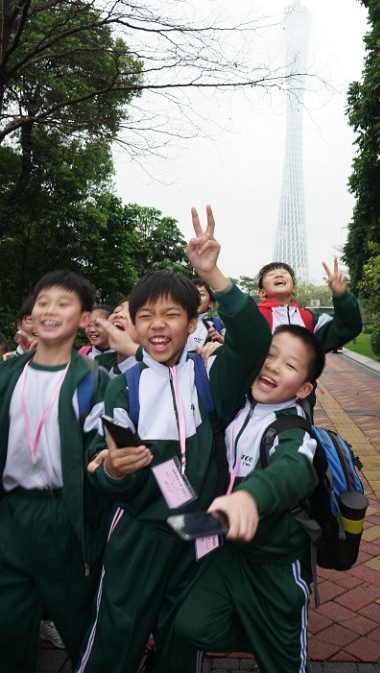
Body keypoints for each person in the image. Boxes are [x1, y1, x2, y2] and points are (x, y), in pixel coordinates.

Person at [75, 206, 271, 673]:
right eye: (145, 316)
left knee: (182, 637)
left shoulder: (210, 376)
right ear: (133, 325)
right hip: (139, 527)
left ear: (192, 321)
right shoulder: (121, 386)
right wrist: (113, 470)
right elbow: (103, 467)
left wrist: (212, 274)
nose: (158, 325)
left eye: (171, 314)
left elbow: (253, 338)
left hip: (198, 526)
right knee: (117, 632)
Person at [155, 324, 325, 673]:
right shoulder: (235, 406)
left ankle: (274, 637)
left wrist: (250, 497)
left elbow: (292, 470)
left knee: (285, 666)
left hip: (275, 564)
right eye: (269, 355)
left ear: (304, 389)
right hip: (228, 554)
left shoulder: (294, 431)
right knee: (192, 626)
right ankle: (262, 633)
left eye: (290, 365)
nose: (273, 366)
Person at [0, 270, 111, 673]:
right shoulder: (7, 375)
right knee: (9, 625)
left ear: (84, 319)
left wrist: (111, 468)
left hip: (65, 516)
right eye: (43, 302)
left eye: (63, 304)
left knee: (80, 624)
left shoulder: (94, 381)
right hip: (11, 512)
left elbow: (101, 452)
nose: (49, 310)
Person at [257, 258, 362, 352]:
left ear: (294, 289)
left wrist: (341, 296)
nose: (279, 275)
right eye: (271, 274)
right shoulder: (254, 316)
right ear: (262, 292)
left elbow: (348, 327)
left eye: (284, 273)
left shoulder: (310, 318)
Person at [186, 278, 225, 350]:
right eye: (192, 293)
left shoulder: (216, 326)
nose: (196, 297)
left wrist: (221, 341)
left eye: (201, 294)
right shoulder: (175, 321)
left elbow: (237, 349)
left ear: (210, 303)